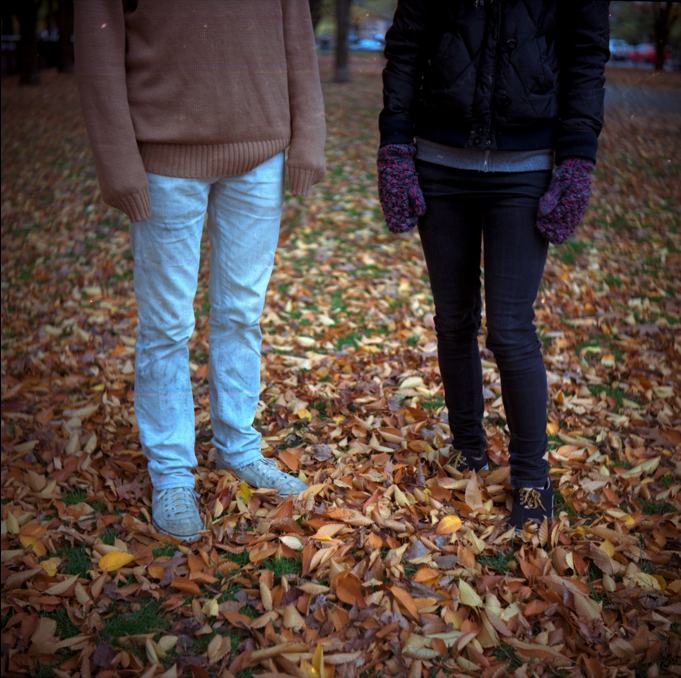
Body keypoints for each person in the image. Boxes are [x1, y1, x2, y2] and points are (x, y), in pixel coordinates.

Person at [75, 0, 325, 542]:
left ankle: (237, 446)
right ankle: (171, 474)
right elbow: (96, 42)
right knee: (166, 326)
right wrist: (117, 161)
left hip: (261, 151)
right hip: (164, 155)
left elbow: (297, 31)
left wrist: (308, 135)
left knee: (241, 313)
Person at [377, 1, 609, 531]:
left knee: (509, 329)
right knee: (453, 318)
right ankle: (469, 451)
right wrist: (394, 145)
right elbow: (407, 44)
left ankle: (532, 476)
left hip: (526, 167)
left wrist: (578, 158)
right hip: (439, 160)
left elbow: (585, 56)